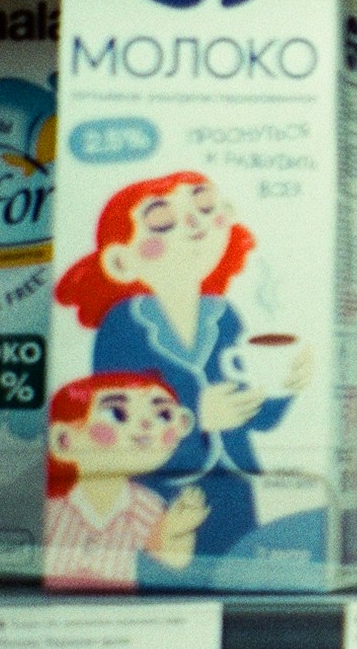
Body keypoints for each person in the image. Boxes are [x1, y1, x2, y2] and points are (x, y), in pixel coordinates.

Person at [52, 172, 307, 577]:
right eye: (162, 222)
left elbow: (259, 419)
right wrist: (198, 417)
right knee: (165, 576)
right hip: (156, 492)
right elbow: (117, 422)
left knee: (238, 583)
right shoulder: (123, 325)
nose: (193, 226)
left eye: (204, 209)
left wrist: (283, 387)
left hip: (234, 487)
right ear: (122, 261)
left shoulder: (224, 317)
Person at [40, 370, 209, 586]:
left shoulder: (146, 507)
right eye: (117, 414)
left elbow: (174, 561)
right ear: (63, 439)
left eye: (163, 415)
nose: (147, 424)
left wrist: (177, 531)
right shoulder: (50, 508)